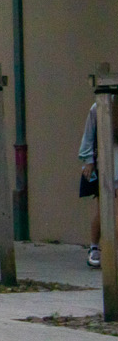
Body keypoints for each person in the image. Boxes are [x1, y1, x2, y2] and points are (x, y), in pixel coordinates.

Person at [80, 101, 118, 268]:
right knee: (104, 211)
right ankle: (95, 247)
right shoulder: (100, 107)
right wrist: (88, 161)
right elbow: (89, 136)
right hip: (107, 166)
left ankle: (109, 251)